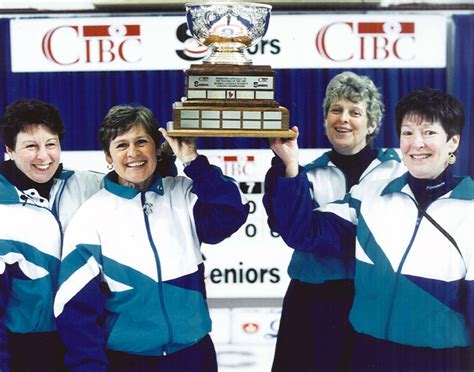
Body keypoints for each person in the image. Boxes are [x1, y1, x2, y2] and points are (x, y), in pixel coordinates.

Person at [264, 88, 473, 371]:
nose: (416, 143)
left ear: (453, 141)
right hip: (369, 354)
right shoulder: (371, 194)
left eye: (429, 133)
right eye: (408, 133)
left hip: (441, 359)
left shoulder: (469, 207)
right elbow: (304, 231)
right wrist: (289, 164)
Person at [54, 104, 249, 371]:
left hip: (194, 355)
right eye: (121, 145)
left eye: (141, 141)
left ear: (157, 147)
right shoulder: (90, 217)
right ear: (108, 156)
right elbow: (76, 312)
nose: (133, 153)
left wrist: (193, 161)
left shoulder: (183, 194)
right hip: (128, 360)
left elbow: (230, 215)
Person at [265, 71, 405, 371]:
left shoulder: (399, 170)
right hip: (314, 304)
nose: (343, 119)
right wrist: (289, 166)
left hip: (378, 300)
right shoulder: (303, 174)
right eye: (335, 110)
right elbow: (293, 231)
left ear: (373, 123)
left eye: (355, 112)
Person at [0, 99, 103, 371]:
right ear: (9, 149)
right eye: (31, 146)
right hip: (24, 349)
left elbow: (137, 183)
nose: (44, 156)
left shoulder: (85, 185)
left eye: (51, 144)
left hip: (85, 343)